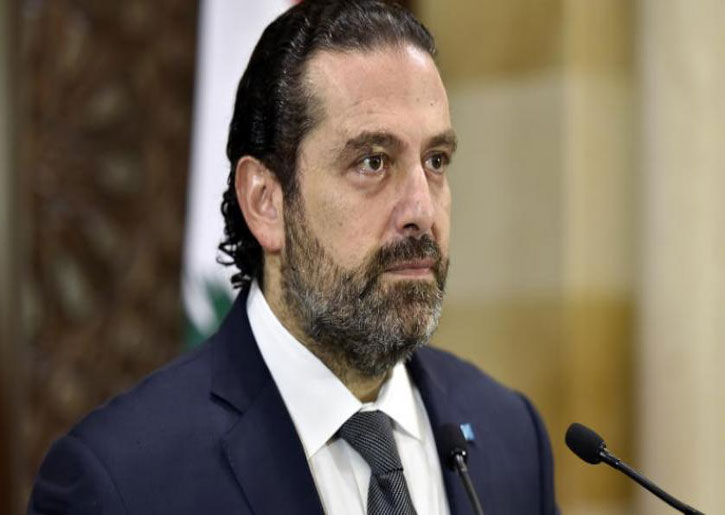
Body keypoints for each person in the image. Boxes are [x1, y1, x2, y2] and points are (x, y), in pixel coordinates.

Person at [28, 1, 558, 514]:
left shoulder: (511, 437)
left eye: (436, 161)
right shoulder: (121, 485)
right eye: (373, 162)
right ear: (266, 202)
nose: (421, 209)